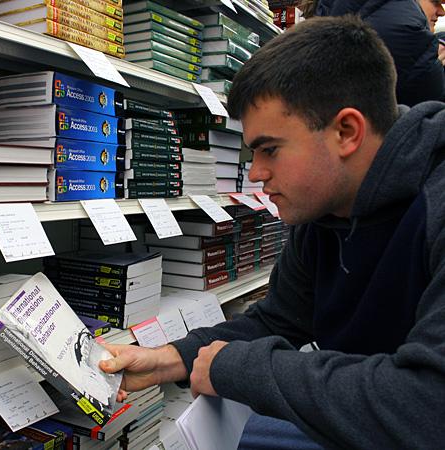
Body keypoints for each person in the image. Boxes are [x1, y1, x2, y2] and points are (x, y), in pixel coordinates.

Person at [100, 16, 445, 449]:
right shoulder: (323, 211)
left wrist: (237, 368)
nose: (256, 173)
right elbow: (279, 319)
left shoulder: (435, 202)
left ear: (346, 131)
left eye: (270, 150)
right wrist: (172, 358)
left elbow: (429, 405)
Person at [307, 0, 445, 105]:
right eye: (435, 1)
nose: (441, 11)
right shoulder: (407, 31)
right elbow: (435, 100)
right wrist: (436, 62)